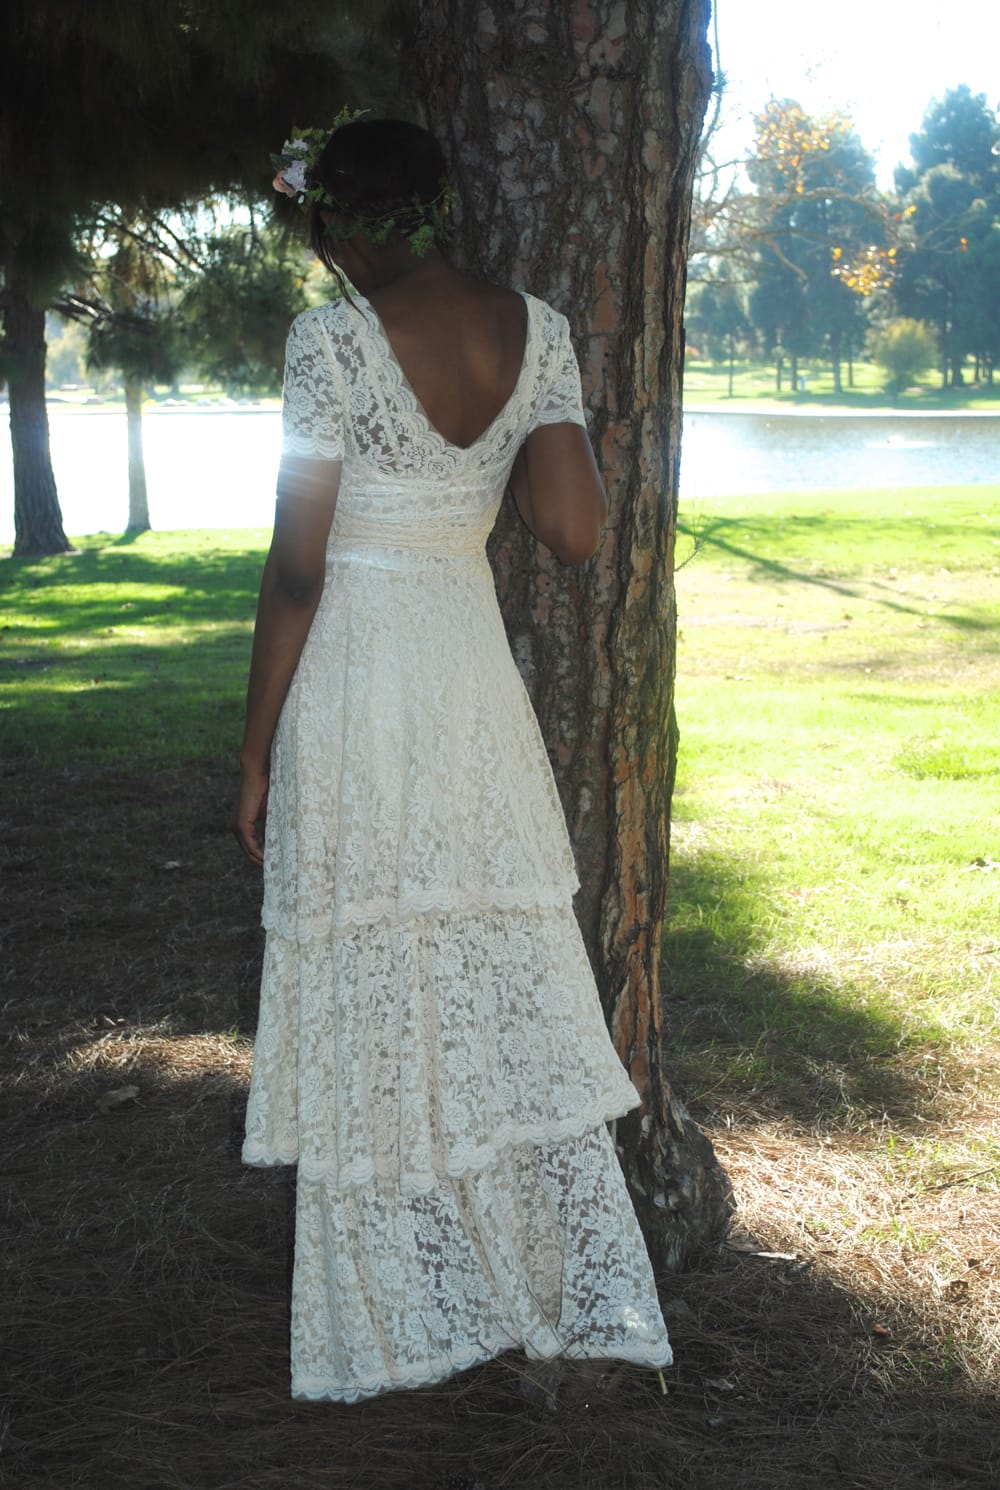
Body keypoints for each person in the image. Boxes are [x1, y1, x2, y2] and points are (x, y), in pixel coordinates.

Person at [233, 116, 671, 1403]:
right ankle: (528, 1272)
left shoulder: (330, 339)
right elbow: (573, 530)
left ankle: (406, 1295)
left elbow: (297, 566)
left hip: (357, 678)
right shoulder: (536, 328)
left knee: (378, 958)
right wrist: (519, 438)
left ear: (337, 221)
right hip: (469, 675)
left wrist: (252, 753)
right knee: (484, 961)